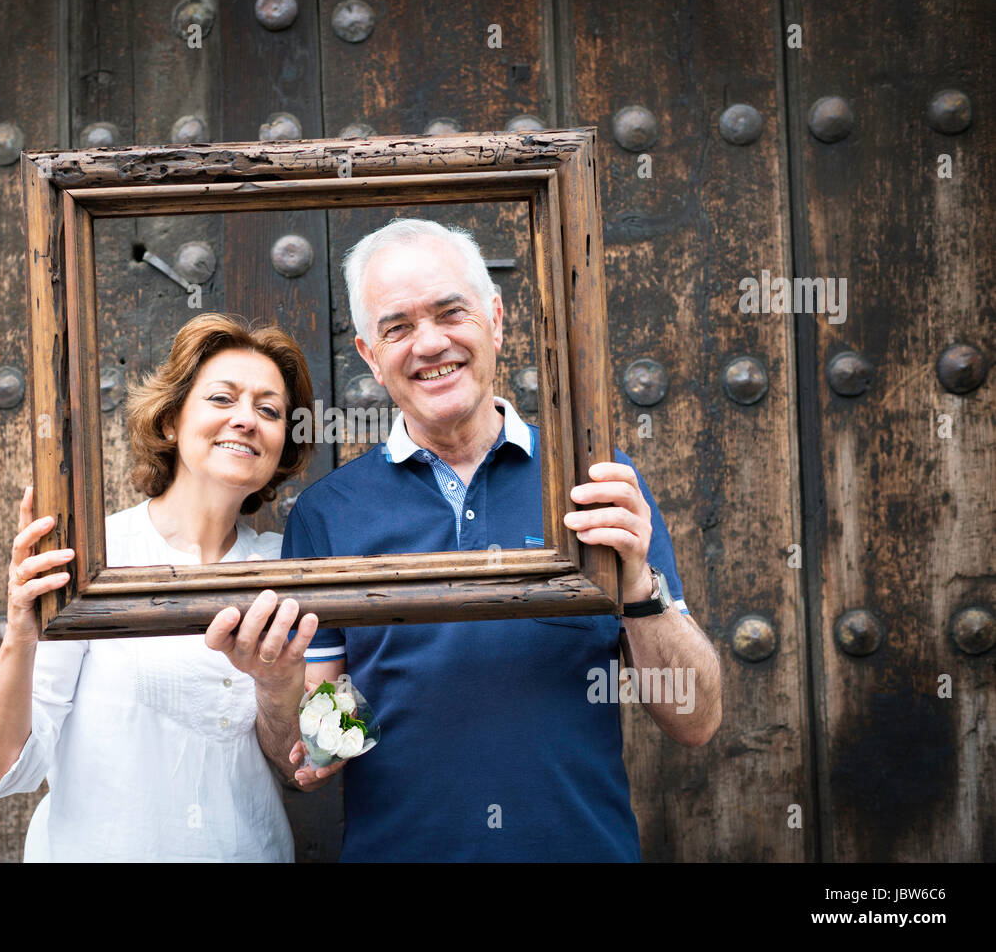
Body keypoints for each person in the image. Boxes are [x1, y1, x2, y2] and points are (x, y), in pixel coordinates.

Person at [207, 218, 722, 861]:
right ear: (369, 354)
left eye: (451, 312)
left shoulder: (597, 484)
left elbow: (696, 720)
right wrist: (276, 688)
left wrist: (640, 587)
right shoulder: (329, 515)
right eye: (397, 327)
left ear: (496, 320)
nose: (429, 343)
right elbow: (313, 758)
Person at [0, 313, 320, 861]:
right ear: (170, 420)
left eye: (269, 410)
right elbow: (1, 769)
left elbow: (303, 767)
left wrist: (278, 684)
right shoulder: (94, 560)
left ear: (281, 445)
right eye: (222, 399)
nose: (246, 419)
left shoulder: (287, 569)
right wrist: (21, 634)